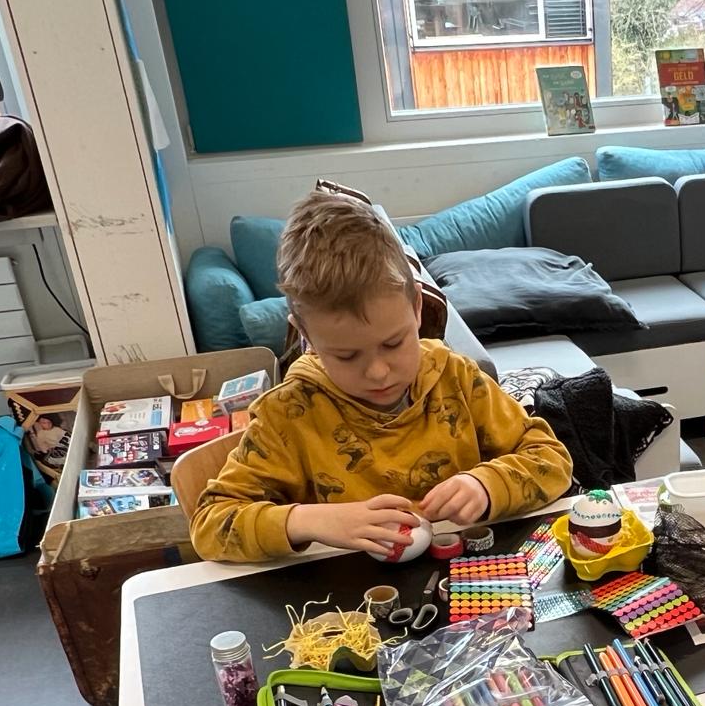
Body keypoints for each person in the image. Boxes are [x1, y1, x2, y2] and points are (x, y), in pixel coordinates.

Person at [190, 190, 573, 563]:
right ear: (306, 336)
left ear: (417, 307)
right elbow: (211, 524)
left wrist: (486, 485)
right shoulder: (288, 413)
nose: (377, 372)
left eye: (393, 343)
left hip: (468, 578)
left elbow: (552, 460)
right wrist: (309, 521)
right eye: (346, 355)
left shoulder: (457, 377)